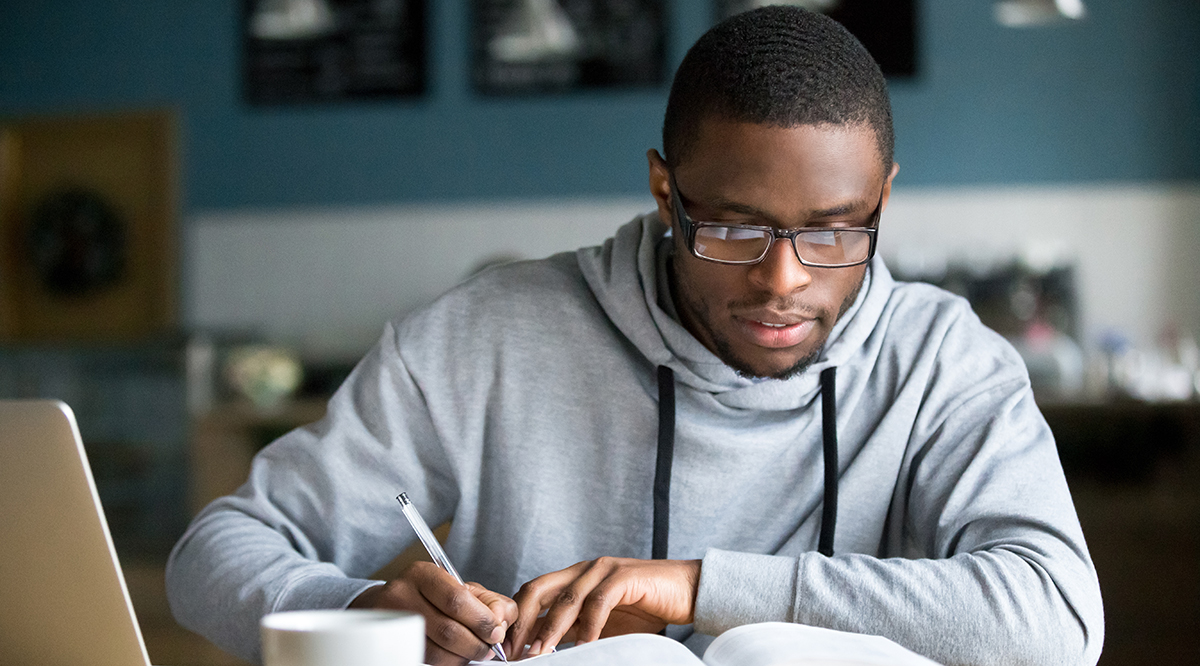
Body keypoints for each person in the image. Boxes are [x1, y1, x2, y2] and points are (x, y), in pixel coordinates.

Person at [166, 7, 1104, 666]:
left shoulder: (944, 362)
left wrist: (695, 587)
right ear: (665, 192)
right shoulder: (482, 339)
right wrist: (361, 611)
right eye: (733, 227)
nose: (784, 279)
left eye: (833, 232)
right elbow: (219, 550)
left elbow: (1058, 618)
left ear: (883, 199)